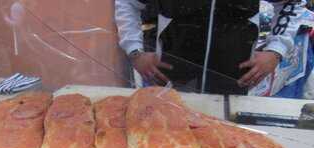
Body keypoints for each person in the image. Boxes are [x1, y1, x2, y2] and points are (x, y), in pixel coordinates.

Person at [115, 0, 307, 94]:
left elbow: (292, 2)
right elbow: (127, 2)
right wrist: (134, 51)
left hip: (234, 83)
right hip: (172, 81)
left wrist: (275, 51)